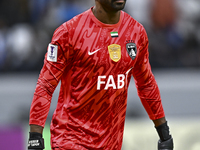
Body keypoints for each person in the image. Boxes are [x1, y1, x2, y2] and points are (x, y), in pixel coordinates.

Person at [28, 0, 174, 150]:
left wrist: (164, 132)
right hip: (70, 140)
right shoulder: (69, 32)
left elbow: (146, 84)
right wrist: (35, 137)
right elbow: (45, 85)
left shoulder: (136, 31)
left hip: (111, 144)